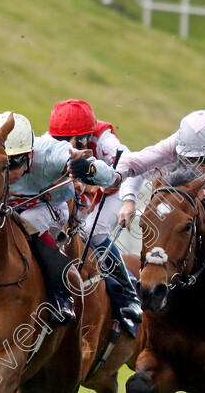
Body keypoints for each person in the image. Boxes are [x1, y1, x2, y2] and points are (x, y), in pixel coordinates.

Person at [0, 111, 118, 324]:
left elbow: (109, 177)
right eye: (5, 162)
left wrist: (88, 167)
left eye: (15, 163)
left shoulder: (52, 151)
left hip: (48, 206)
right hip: (3, 207)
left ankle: (59, 295)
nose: (10, 169)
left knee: (26, 229)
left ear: (30, 154)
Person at [47, 99, 141, 323]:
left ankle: (129, 294)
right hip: (84, 191)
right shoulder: (52, 138)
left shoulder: (106, 141)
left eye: (73, 141)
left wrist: (129, 200)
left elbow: (134, 165)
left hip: (113, 191)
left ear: (87, 136)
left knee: (91, 232)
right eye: (59, 140)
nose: (65, 146)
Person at [116, 109, 205, 236]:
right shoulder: (178, 142)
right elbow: (137, 163)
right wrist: (127, 197)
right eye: (191, 160)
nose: (200, 169)